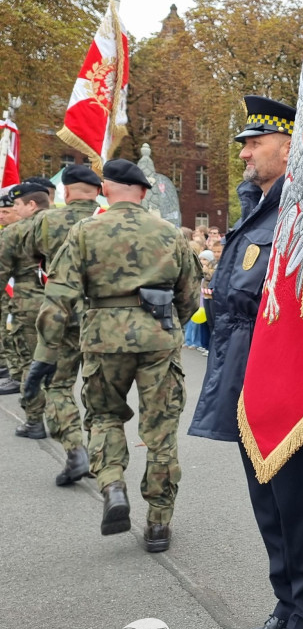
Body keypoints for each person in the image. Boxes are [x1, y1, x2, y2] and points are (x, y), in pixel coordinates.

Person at [188, 95, 303, 629]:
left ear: (290, 145)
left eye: (255, 143)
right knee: (269, 507)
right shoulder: (260, 207)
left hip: (289, 387)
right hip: (248, 379)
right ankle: (288, 605)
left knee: (297, 508)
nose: (245, 153)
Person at [25, 159, 201, 552]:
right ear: (142, 192)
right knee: (160, 432)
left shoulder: (85, 232)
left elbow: (59, 297)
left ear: (106, 189)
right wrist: (166, 326)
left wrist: (45, 354)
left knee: (104, 416)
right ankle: (158, 523)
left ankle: (113, 487)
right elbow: (190, 295)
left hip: (103, 338)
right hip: (158, 339)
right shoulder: (169, 232)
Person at [22, 164, 103, 485]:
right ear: (98, 191)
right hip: (102, 319)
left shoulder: (45, 221)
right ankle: (101, 456)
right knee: (99, 393)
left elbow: (30, 257)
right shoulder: (108, 220)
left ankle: (74, 450)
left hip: (61, 316)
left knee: (58, 385)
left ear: (66, 191)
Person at [0, 181, 51, 438]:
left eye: (17, 204)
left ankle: (34, 420)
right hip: (63, 307)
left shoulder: (14, 232)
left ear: (31, 204)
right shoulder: (67, 227)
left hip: (28, 309)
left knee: (28, 366)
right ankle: (63, 421)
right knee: (60, 370)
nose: (14, 210)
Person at [0, 188, 23, 394]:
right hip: (10, 291)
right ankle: (10, 369)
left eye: (6, 211)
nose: (1, 215)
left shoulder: (23, 232)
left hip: (23, 292)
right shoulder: (6, 233)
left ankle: (16, 374)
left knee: (16, 332)